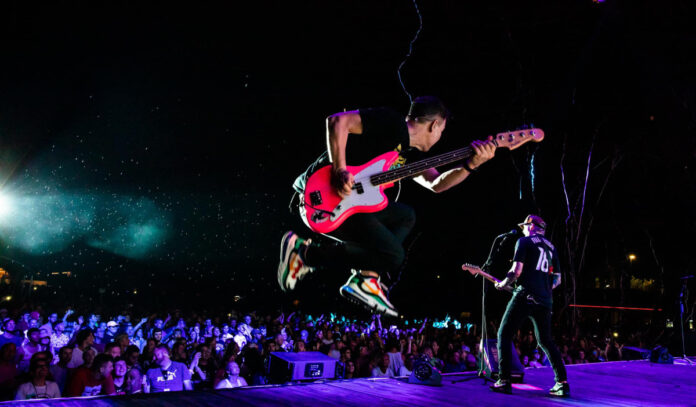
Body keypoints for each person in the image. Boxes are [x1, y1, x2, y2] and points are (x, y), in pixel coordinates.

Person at [278, 96, 496, 316]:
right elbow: (337, 121)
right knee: (394, 256)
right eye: (442, 130)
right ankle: (306, 254)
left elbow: (435, 184)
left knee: (405, 216)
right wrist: (340, 169)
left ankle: (366, 276)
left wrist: (471, 165)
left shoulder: (408, 154)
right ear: (435, 124)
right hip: (322, 197)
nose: (440, 136)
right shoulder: (391, 123)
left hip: (351, 204)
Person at [490, 215, 569, 397]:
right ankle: (562, 383)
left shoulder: (524, 242)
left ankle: (504, 380)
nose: (523, 229)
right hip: (545, 300)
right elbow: (557, 279)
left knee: (504, 334)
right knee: (545, 341)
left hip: (525, 295)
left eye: (525, 226)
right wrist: (544, 288)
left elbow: (516, 271)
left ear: (532, 226)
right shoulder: (552, 248)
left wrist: (503, 284)